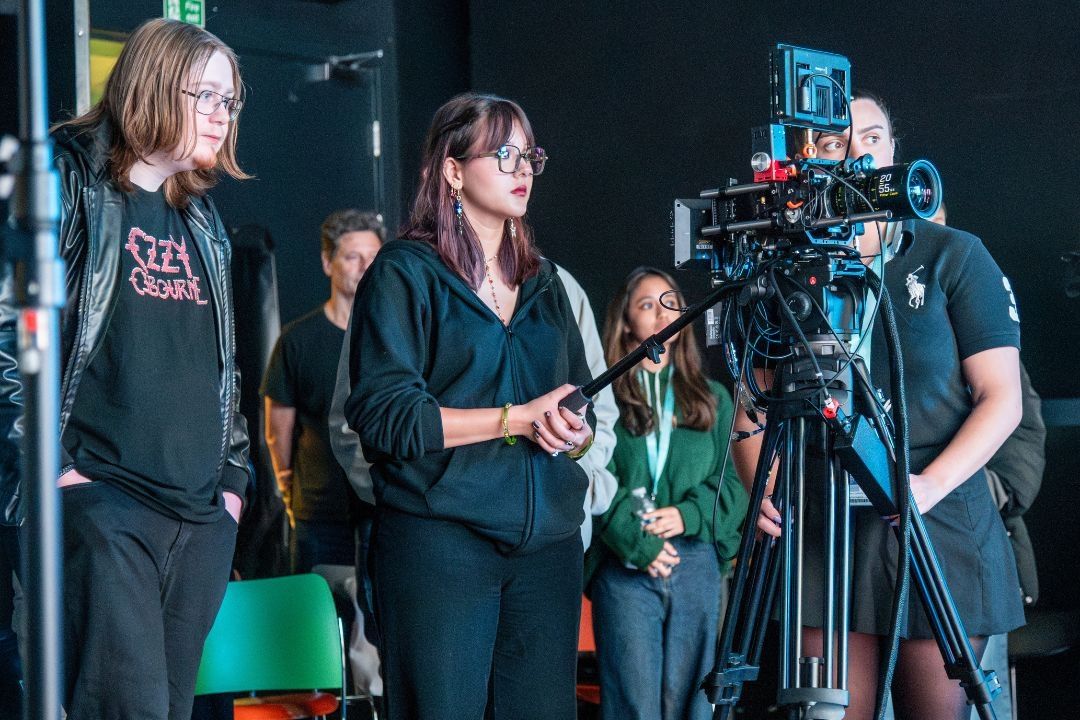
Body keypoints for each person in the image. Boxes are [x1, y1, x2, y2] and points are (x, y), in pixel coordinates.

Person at [733, 92, 1025, 720]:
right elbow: (750, 407)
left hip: (932, 516)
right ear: (814, 158)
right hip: (823, 524)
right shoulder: (789, 265)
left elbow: (1001, 400)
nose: (859, 153)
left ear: (894, 151)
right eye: (839, 141)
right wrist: (763, 488)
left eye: (872, 138)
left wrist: (927, 487)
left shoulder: (954, 255)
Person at [0, 18, 252, 720]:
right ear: (152, 84)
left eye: (229, 102)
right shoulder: (64, 176)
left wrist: (231, 484)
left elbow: (224, 365)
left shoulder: (201, 219)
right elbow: (4, 337)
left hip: (197, 519)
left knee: (169, 710)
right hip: (105, 508)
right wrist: (53, 471)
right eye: (205, 96)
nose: (219, 116)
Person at [343, 92, 595, 720]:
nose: (523, 170)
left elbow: (579, 407)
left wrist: (571, 432)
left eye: (530, 156)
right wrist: (515, 420)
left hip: (547, 551)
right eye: (504, 154)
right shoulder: (404, 274)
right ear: (453, 169)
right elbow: (386, 417)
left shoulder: (547, 284)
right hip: (440, 542)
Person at [587, 267, 748, 720]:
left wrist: (687, 515)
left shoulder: (713, 398)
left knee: (696, 705)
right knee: (632, 707)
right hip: (625, 566)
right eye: (646, 305)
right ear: (625, 323)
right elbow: (591, 476)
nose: (661, 314)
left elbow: (731, 487)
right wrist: (637, 542)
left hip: (695, 562)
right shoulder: (604, 400)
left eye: (670, 303)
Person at [262, 208, 383, 573]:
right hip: (320, 513)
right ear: (328, 263)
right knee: (319, 620)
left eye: (374, 257)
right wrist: (289, 491)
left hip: (383, 508)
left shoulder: (395, 340)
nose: (365, 266)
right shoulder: (297, 341)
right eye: (352, 257)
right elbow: (277, 431)